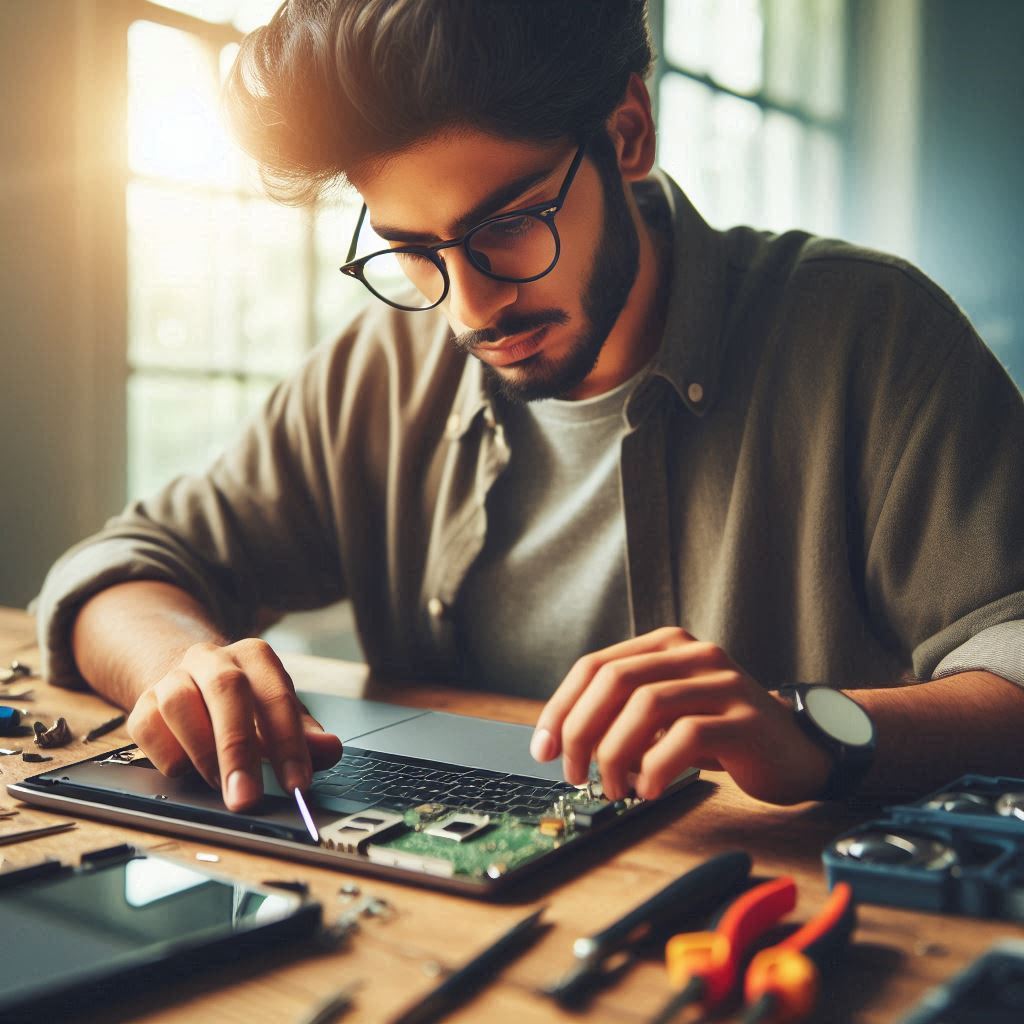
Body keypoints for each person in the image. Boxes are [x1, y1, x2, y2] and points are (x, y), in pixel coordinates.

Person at [38, 0, 1024, 814]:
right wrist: (184, 664)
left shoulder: (871, 330)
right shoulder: (385, 364)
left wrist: (813, 729)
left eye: (506, 227)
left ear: (627, 134)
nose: (468, 308)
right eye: (413, 250)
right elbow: (120, 567)